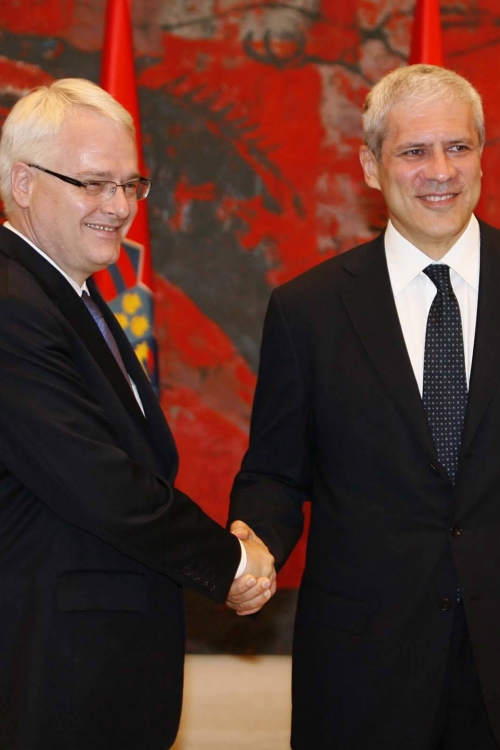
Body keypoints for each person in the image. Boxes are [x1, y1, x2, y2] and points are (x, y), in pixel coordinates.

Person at [229, 63, 500, 749]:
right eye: (414, 151)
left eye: (458, 147)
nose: (440, 170)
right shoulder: (308, 311)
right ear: (371, 168)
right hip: (364, 673)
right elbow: (275, 474)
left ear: (481, 157)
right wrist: (253, 544)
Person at [0, 77, 275, 750]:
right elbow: (98, 481)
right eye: (94, 183)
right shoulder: (12, 305)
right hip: (49, 675)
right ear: (22, 182)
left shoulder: (68, 295)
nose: (119, 207)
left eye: (130, 185)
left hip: (90, 672)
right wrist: (230, 562)